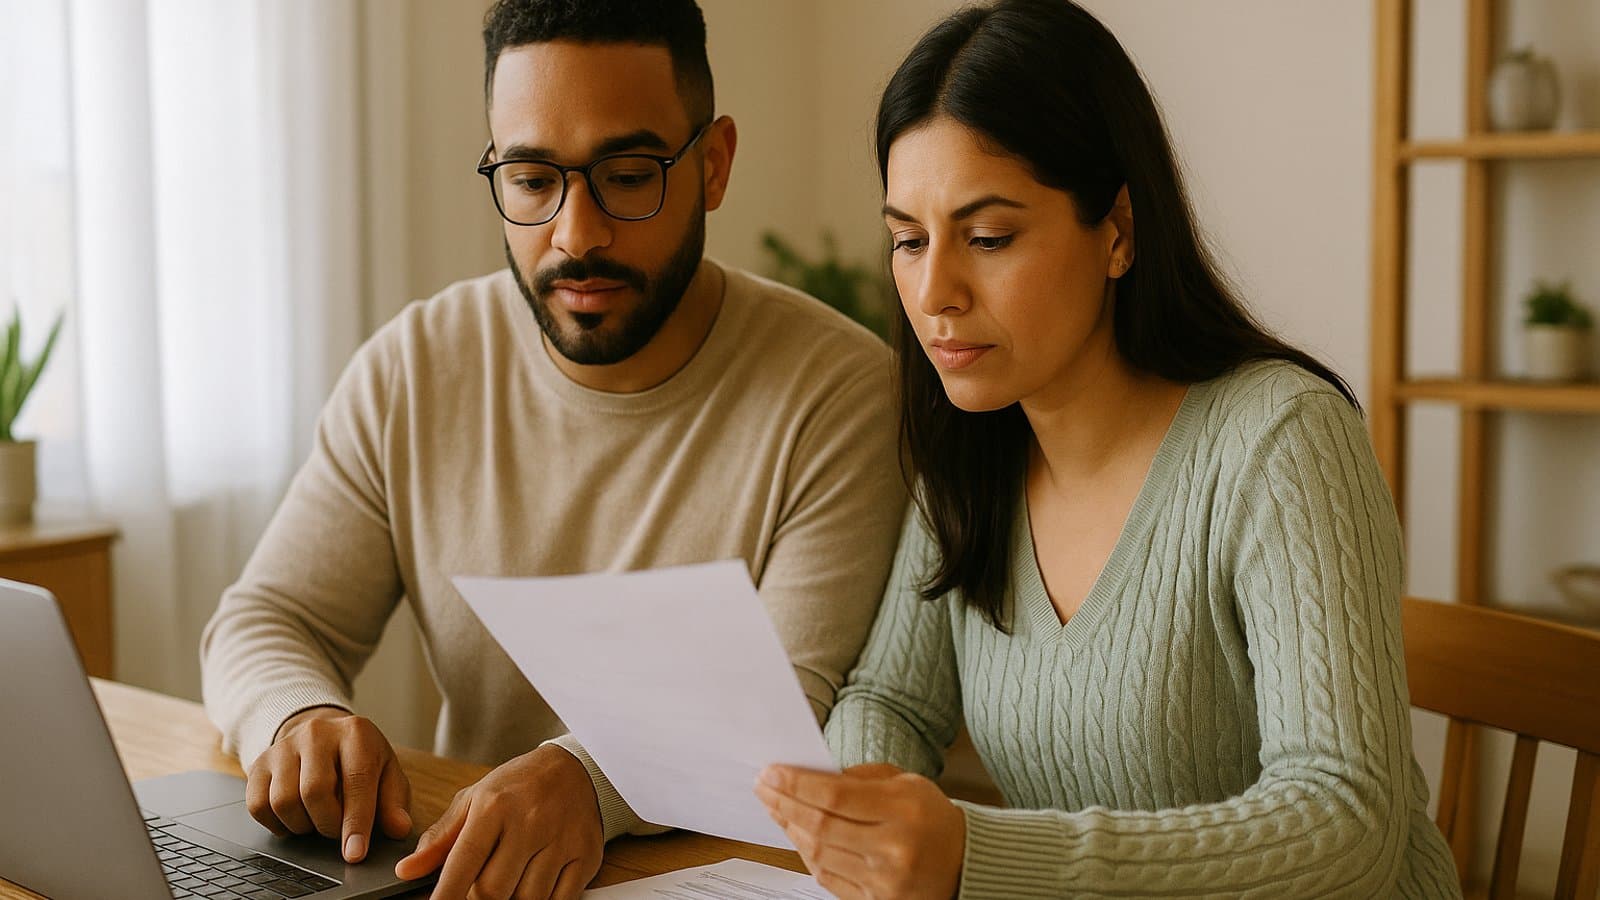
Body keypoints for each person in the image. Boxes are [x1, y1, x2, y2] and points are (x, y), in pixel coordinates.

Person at [753, 1, 1463, 897]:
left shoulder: (1282, 441)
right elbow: (889, 700)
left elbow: (1345, 819)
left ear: (1118, 231)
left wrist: (981, 857)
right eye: (907, 239)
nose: (933, 290)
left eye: (988, 237)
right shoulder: (976, 449)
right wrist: (864, 816)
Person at [199, 1, 905, 898]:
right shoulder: (416, 367)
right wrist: (297, 716)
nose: (577, 235)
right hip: (450, 875)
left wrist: (585, 780)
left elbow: (783, 700)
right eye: (533, 180)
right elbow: (264, 620)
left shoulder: (839, 395)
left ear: (714, 164)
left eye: (629, 173)